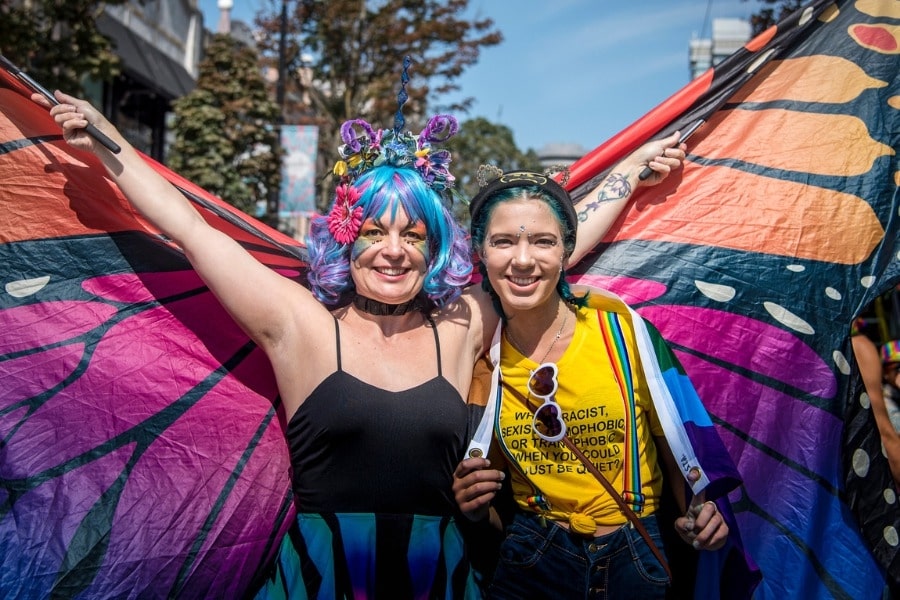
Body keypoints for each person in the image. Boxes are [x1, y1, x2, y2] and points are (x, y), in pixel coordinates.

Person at [33, 75, 687, 598]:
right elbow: (192, 229)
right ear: (346, 239)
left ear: (433, 247)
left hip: (442, 573)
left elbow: (545, 256)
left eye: (413, 235)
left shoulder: (459, 326)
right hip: (323, 576)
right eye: (375, 232)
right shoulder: (299, 325)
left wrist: (629, 177)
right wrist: (109, 143)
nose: (393, 252)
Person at [452, 171, 760, 598]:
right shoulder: (482, 360)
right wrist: (472, 508)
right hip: (530, 559)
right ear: (480, 252)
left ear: (567, 252)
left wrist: (700, 514)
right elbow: (491, 493)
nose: (523, 259)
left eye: (543, 241)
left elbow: (680, 451)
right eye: (503, 241)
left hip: (637, 555)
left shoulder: (627, 335)